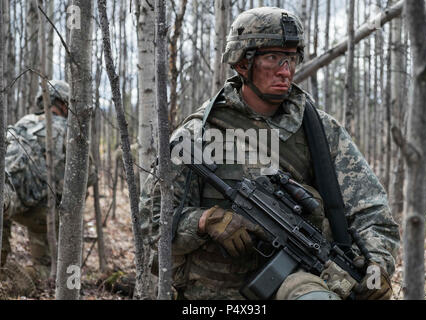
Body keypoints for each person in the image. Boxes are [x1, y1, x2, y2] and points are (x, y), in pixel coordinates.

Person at [140, 7, 400, 300]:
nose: (285, 70)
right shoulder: (198, 134)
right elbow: (151, 224)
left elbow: (372, 213)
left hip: (304, 283)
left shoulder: (321, 131)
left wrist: (378, 264)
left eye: (291, 58)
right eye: (273, 58)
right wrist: (205, 221)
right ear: (242, 63)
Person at [1, 80, 71, 293]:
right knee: (46, 266)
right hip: (42, 213)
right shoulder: (69, 131)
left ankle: (2, 268)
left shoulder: (24, 122)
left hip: (9, 200)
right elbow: (87, 178)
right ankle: (31, 276)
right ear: (64, 103)